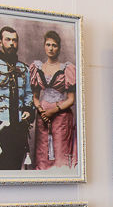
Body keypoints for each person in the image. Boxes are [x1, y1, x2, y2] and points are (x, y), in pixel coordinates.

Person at [0, 26, 34, 170]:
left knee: (16, 168)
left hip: (20, 128)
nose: (11, 44)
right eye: (8, 40)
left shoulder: (24, 69)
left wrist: (28, 110)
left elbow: (29, 94)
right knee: (3, 169)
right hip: (0, 127)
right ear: (0, 42)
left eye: (14, 40)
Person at [30, 30, 77, 170]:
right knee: (43, 154)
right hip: (43, 116)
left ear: (59, 48)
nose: (51, 48)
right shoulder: (37, 68)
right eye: (48, 45)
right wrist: (41, 111)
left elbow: (71, 100)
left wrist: (53, 111)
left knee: (60, 153)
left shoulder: (67, 69)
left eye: (54, 45)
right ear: (44, 46)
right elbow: (35, 97)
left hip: (61, 116)